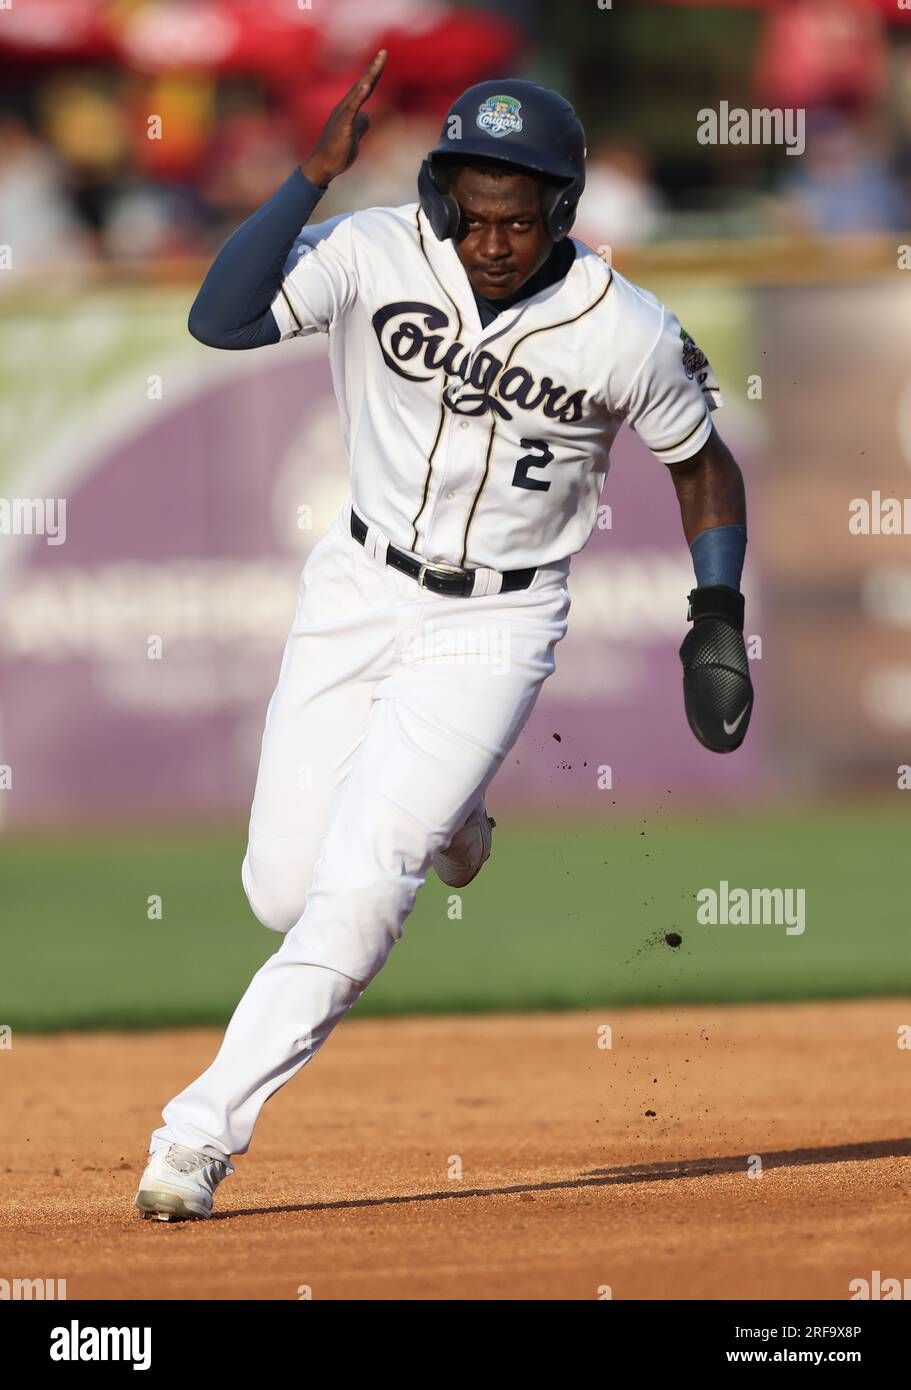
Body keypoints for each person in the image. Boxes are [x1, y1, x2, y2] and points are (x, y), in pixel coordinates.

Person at [135, 53, 752, 1221]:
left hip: (502, 617)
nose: (488, 240)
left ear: (560, 213)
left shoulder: (621, 328)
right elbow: (217, 319)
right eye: (467, 214)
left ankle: (195, 1136)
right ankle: (455, 814)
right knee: (282, 890)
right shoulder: (373, 251)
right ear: (437, 199)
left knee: (362, 889)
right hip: (358, 587)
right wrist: (305, 181)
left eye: (515, 219)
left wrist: (712, 611)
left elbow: (700, 460)